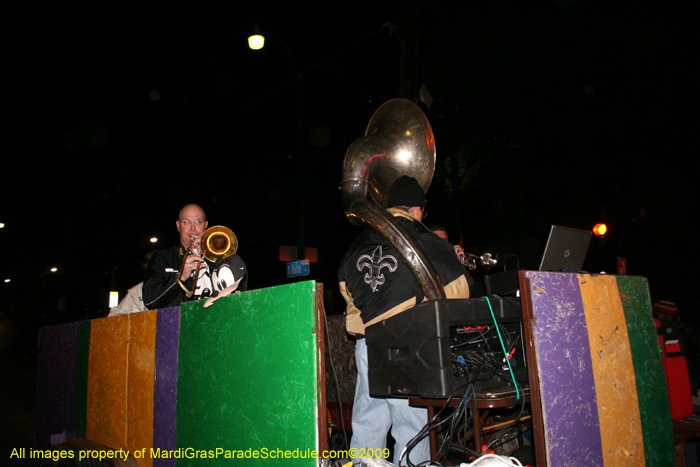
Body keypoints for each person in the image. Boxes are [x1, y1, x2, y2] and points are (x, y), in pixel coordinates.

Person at [338, 176, 472, 466]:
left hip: (366, 345)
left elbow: (346, 291)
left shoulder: (359, 241)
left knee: (368, 422)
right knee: (412, 429)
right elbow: (458, 295)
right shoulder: (425, 239)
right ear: (417, 209)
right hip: (406, 345)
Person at [142, 204, 247, 309]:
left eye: (198, 222)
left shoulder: (220, 255)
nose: (193, 229)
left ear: (205, 225)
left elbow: (241, 290)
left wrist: (214, 258)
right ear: (178, 226)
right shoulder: (162, 258)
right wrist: (180, 277)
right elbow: (150, 301)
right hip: (179, 323)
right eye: (186, 222)